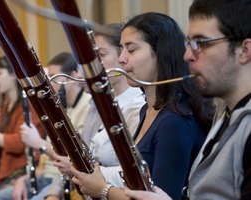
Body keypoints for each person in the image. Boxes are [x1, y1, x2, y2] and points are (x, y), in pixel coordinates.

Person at [70, 12, 216, 200]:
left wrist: (103, 189)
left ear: (161, 53)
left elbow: (163, 196)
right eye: (121, 49)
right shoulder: (146, 110)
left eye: (131, 50)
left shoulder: (174, 121)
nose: (122, 59)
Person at [124, 0, 251, 199]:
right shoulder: (225, 113)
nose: (187, 55)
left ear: (244, 50)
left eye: (200, 43)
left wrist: (103, 189)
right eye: (189, 43)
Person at [44, 23, 146, 200]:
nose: (88, 65)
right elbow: (79, 157)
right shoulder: (95, 105)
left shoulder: (137, 106)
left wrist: (80, 170)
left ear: (122, 57)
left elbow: (139, 174)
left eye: (100, 55)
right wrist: (53, 194)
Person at [11, 52, 92, 200]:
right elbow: (44, 166)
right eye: (48, 76)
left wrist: (39, 144)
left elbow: (75, 158)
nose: (48, 82)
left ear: (74, 75)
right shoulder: (56, 106)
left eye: (54, 76)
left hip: (65, 180)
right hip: (47, 177)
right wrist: (25, 179)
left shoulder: (88, 106)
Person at [0, 55, 45, 200]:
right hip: (3, 173)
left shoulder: (29, 105)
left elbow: (18, 143)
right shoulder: (6, 106)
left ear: (13, 74)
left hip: (21, 174)